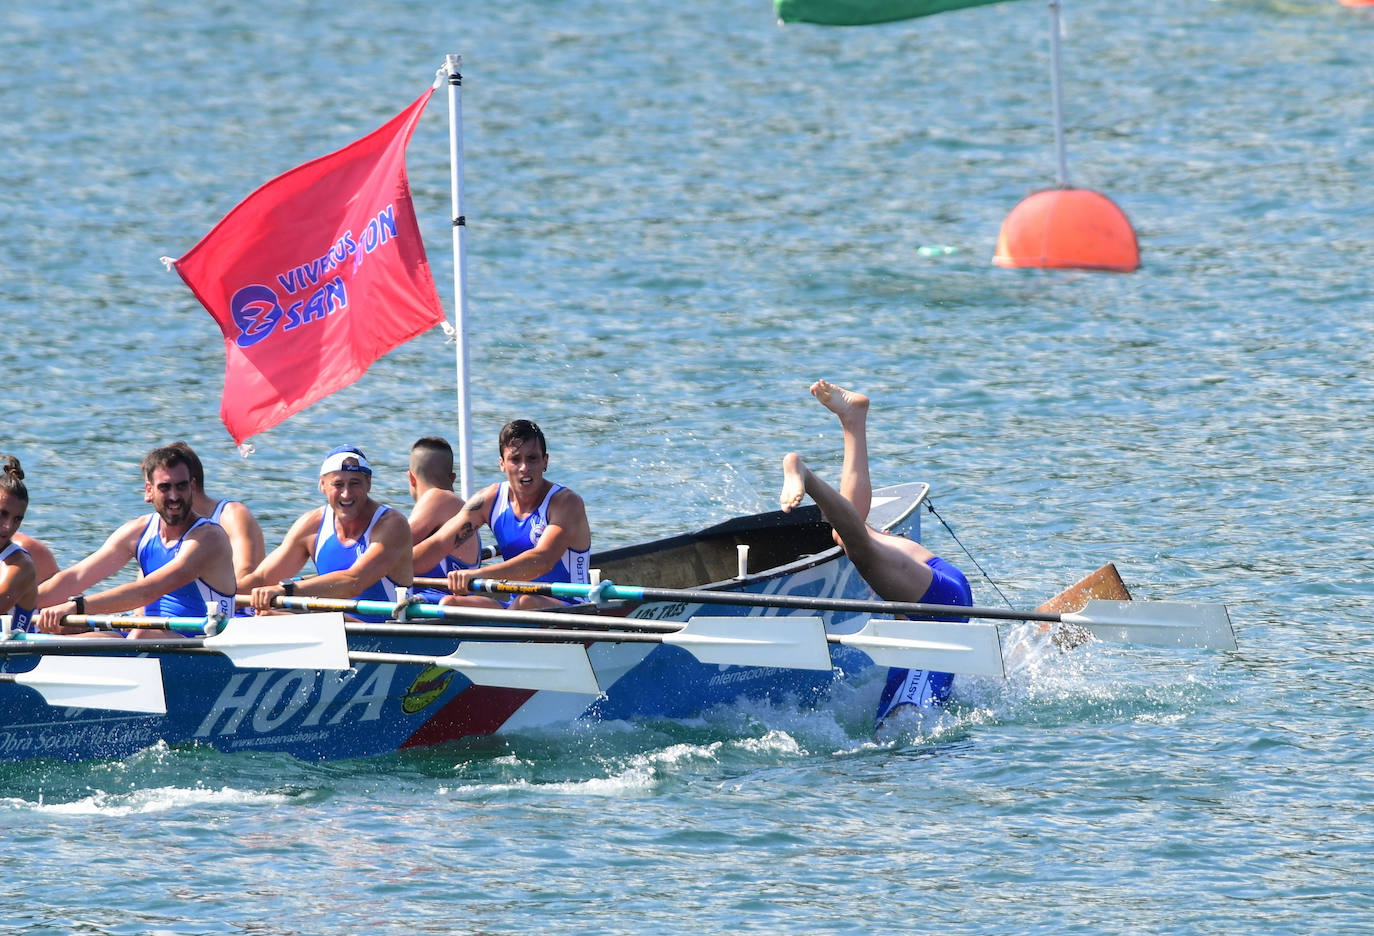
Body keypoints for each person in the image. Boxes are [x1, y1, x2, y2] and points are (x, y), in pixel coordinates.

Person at [779, 380, 973, 726]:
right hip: (938, 606)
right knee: (859, 546)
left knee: (851, 534)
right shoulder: (906, 716)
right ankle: (805, 475)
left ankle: (853, 421)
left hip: (936, 596)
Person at [35, 445, 238, 638]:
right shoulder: (138, 531)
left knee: (139, 634)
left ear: (192, 488)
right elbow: (75, 578)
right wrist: (22, 604)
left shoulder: (209, 538)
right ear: (149, 491)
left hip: (205, 642)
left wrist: (76, 606)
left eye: (181, 486)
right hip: (148, 635)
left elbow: (147, 591)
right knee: (62, 631)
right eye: (165, 487)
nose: (174, 496)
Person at [414, 419, 590, 610]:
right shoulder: (488, 500)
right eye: (515, 459)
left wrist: (478, 575)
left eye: (532, 458)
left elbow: (542, 560)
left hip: (574, 607)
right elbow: (439, 543)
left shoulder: (566, 503)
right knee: (450, 603)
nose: (524, 467)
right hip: (517, 607)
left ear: (545, 462)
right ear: (502, 464)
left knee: (525, 602)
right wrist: (392, 566)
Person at [240, 445, 412, 620]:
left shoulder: (392, 525)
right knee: (262, 614)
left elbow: (354, 581)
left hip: (384, 632)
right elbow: (261, 578)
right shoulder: (312, 524)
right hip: (334, 625)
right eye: (338, 484)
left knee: (270, 616)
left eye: (355, 483)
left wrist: (286, 590)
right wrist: (219, 595)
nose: (346, 494)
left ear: (368, 483)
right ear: (322, 485)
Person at [166, 441, 266, 583]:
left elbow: (245, 571)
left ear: (190, 484)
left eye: (163, 487)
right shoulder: (163, 525)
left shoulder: (233, 516)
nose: (150, 497)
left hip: (235, 602)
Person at [406, 437, 481, 605]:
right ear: (453, 478)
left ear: (411, 478)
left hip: (437, 613)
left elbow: (390, 547)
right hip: (451, 607)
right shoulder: (460, 508)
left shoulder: (439, 498)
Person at [0, 456, 38, 633]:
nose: (8, 527)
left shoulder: (21, 565)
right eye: (3, 514)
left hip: (23, 657)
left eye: (17, 519)